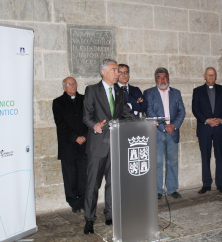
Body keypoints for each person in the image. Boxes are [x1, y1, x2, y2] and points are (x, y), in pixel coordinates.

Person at [82, 59, 136, 235]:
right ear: (103, 72)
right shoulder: (92, 90)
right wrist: (94, 125)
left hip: (115, 143)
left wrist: (146, 122)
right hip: (98, 145)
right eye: (114, 70)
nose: (118, 74)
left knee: (113, 183)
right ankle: (89, 219)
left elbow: (126, 113)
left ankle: (110, 214)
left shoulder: (119, 92)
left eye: (118, 71)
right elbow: (86, 116)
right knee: (92, 185)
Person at [144, 67, 186, 200]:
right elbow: (149, 111)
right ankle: (157, 190)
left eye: (165, 77)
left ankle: (172, 188)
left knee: (172, 162)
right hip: (157, 132)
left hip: (173, 132)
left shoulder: (176, 93)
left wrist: (173, 126)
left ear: (168, 78)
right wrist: (163, 127)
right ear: (155, 79)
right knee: (157, 162)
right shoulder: (149, 93)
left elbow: (182, 111)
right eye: (159, 77)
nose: (162, 80)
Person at [52, 77, 88, 213]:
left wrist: (84, 136)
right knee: (70, 176)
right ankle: (74, 203)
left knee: (84, 176)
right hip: (68, 145)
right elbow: (61, 125)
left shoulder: (85, 99)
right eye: (69, 84)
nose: (72, 86)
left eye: (74, 83)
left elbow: (89, 119)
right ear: (64, 87)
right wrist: (75, 138)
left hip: (84, 144)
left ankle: (84, 201)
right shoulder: (58, 103)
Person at [192, 67, 222, 194]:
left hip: (219, 128)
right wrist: (206, 120)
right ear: (204, 76)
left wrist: (221, 119)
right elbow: (195, 109)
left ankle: (220, 184)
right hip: (205, 128)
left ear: (216, 76)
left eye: (213, 75)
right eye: (208, 75)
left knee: (219, 156)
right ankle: (206, 184)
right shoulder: (197, 91)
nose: (211, 77)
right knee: (205, 156)